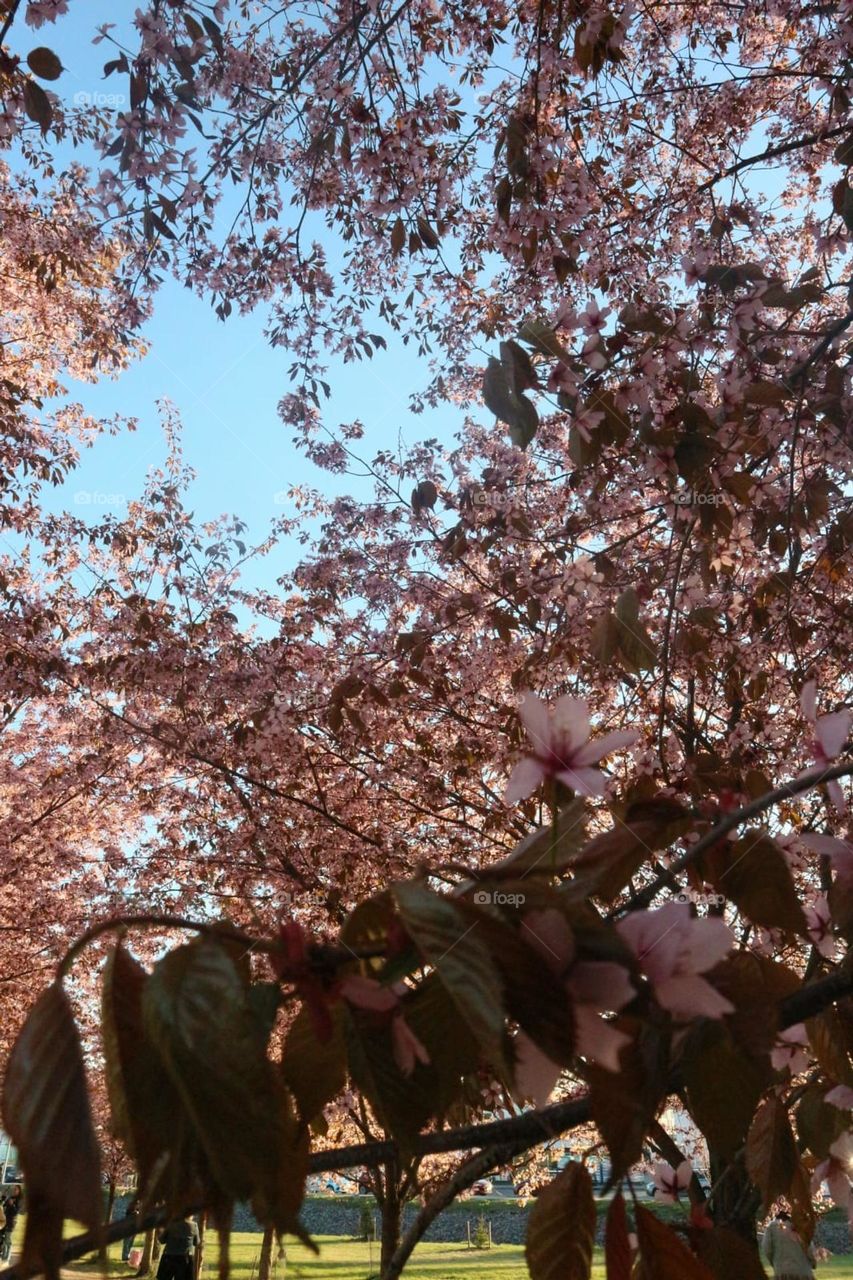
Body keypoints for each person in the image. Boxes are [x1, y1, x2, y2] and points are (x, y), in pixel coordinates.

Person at [761, 1209, 816, 1279]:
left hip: (782, 1271)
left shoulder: (772, 1227)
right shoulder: (800, 1226)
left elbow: (767, 1248)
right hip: (803, 1271)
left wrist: (774, 1262)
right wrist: (813, 1263)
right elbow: (809, 1249)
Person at [156, 1216, 200, 1280]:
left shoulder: (170, 1224)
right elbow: (196, 1242)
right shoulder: (194, 1225)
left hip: (169, 1257)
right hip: (185, 1258)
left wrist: (160, 1231)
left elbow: (162, 1241)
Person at [0, 1186, 21, 1263]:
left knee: (7, 1239)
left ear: (19, 1191)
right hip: (4, 1221)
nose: (14, 1190)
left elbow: (15, 1212)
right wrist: (3, 1198)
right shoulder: (11, 1197)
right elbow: (4, 1205)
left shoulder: (19, 1200)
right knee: (3, 1239)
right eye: (14, 1189)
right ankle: (3, 1255)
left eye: (16, 1189)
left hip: (11, 1222)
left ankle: (7, 1257)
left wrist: (12, 1204)